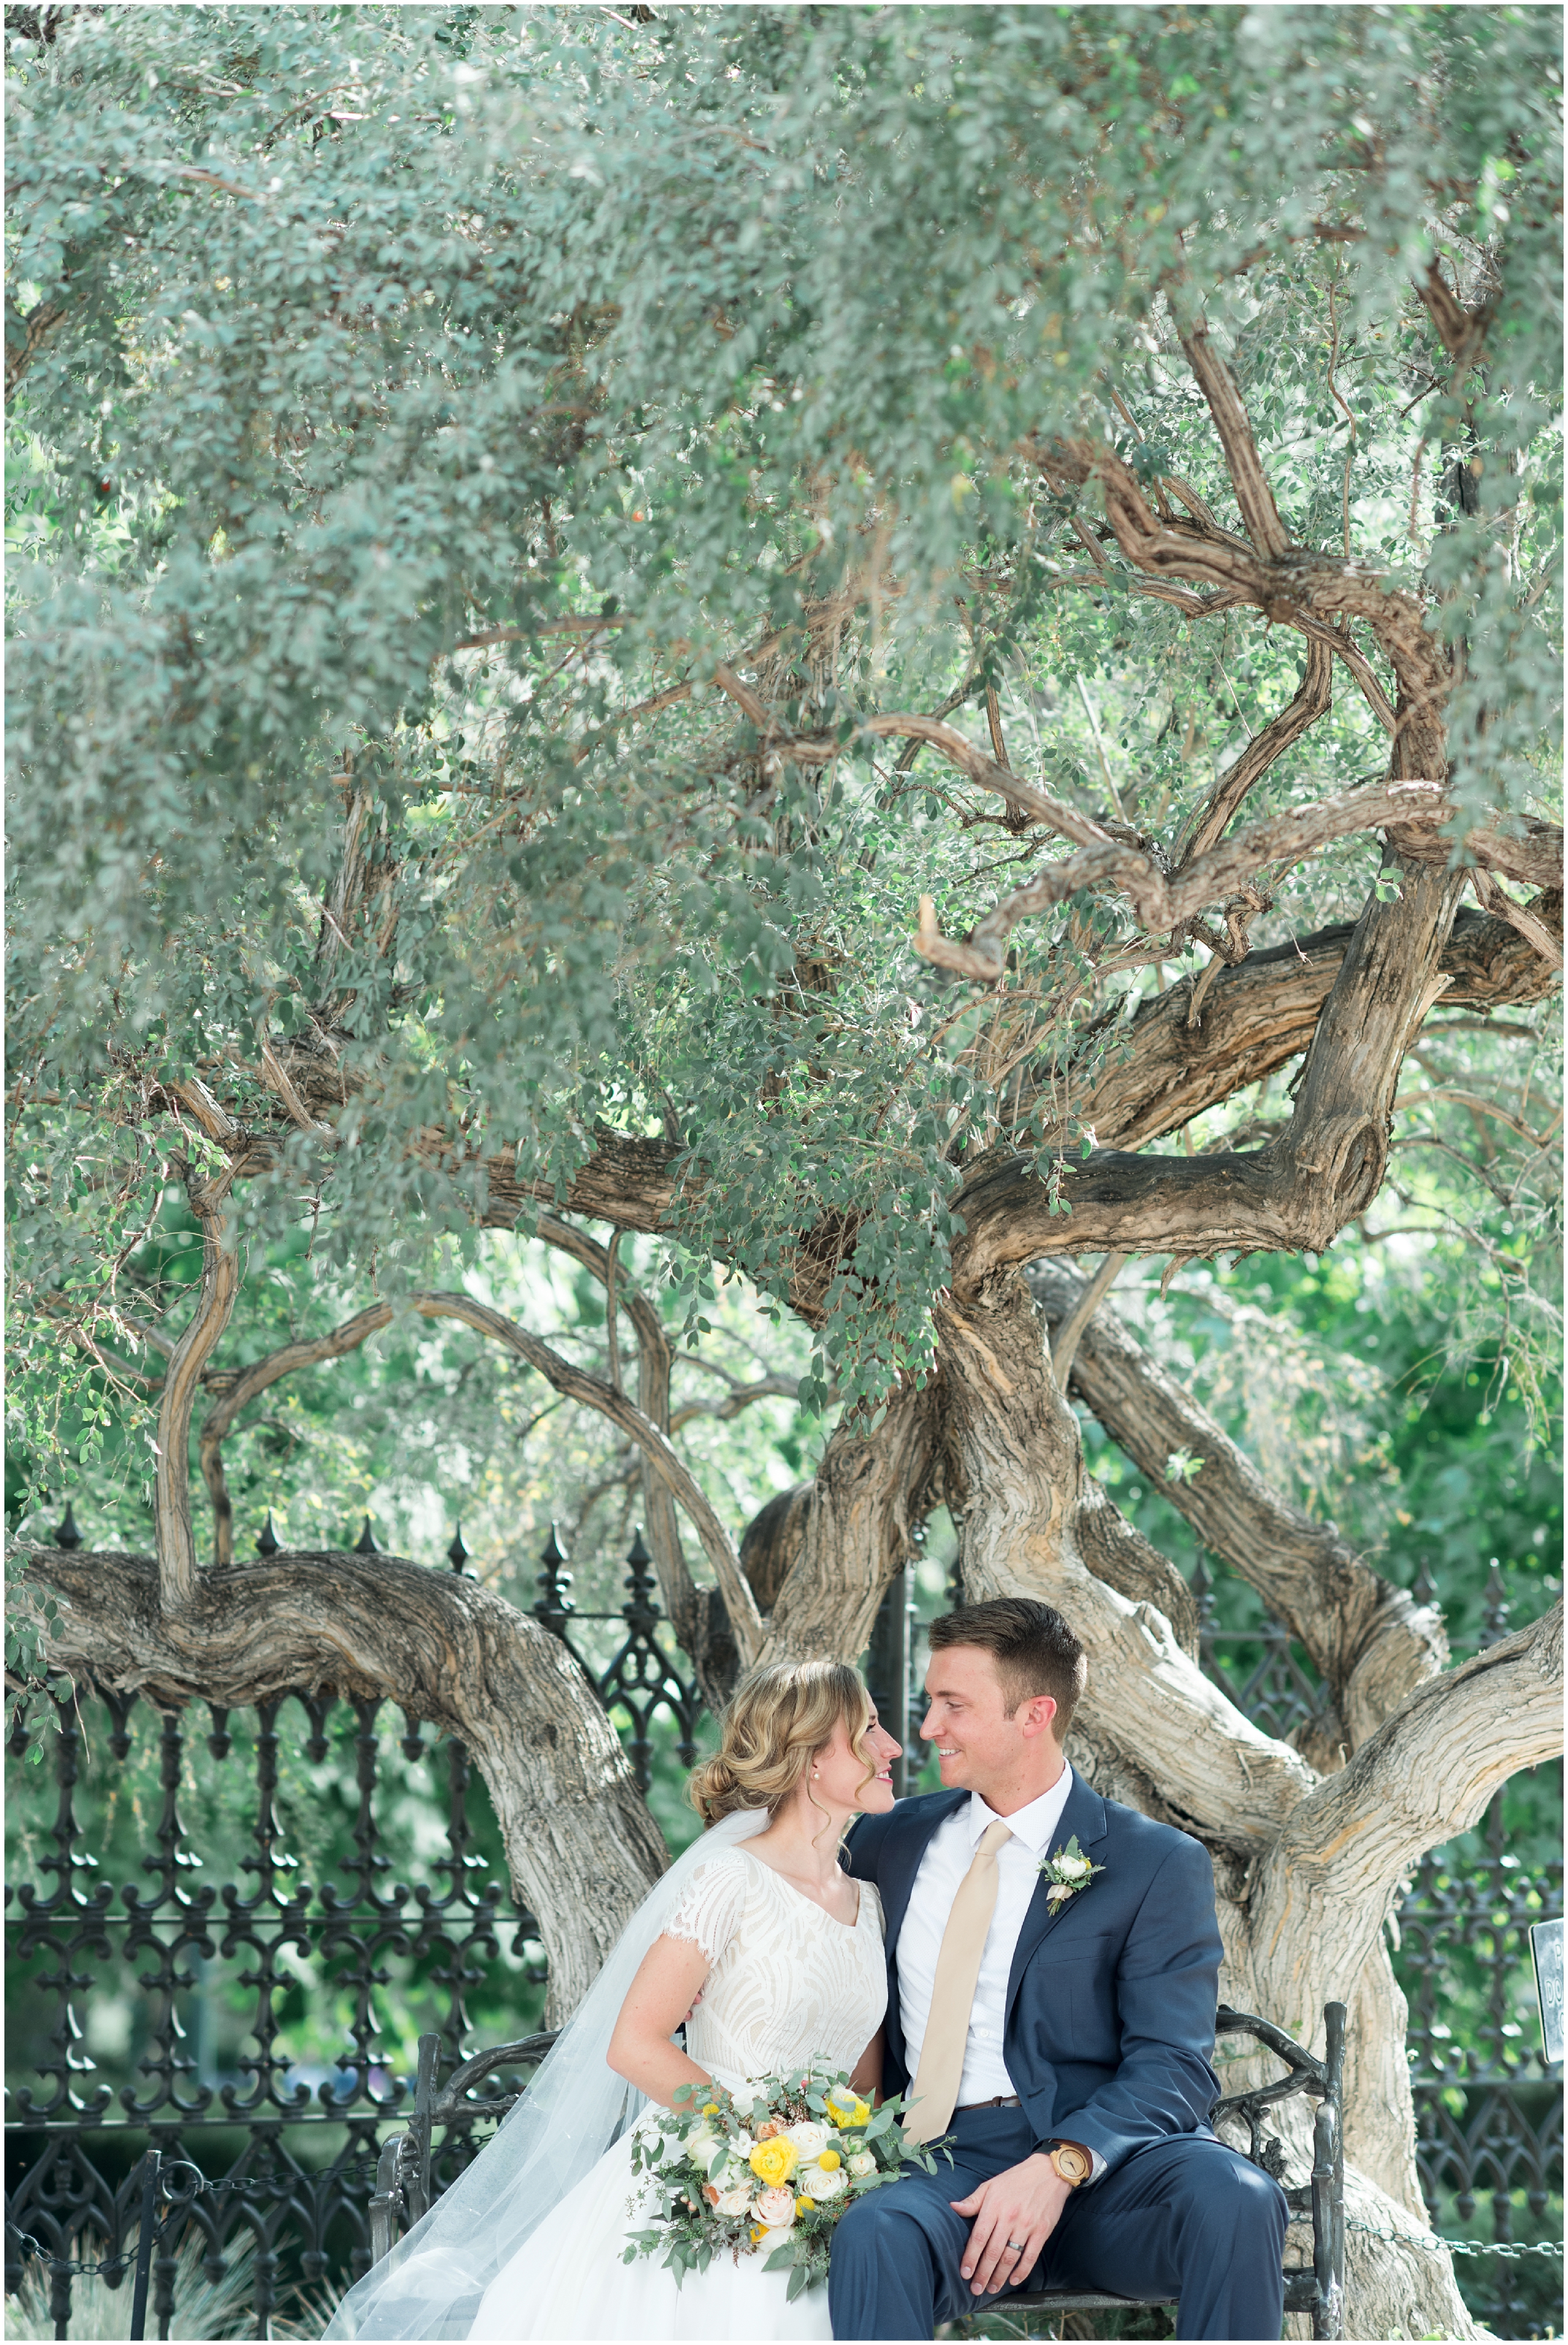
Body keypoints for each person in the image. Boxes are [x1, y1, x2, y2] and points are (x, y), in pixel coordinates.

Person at [323, 1659, 901, 2341]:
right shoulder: (730, 1880)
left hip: (824, 2203)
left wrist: (839, 2171)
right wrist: (760, 2150)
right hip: (708, 2178)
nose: (891, 1745)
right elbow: (634, 2043)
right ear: (808, 1757)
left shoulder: (866, 1903)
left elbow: (862, 2078)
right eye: (867, 1728)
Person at [831, 1597, 1287, 2342]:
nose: (926, 1729)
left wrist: (1060, 2165)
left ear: (1034, 1714)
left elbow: (1173, 2067)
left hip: (1108, 2184)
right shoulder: (891, 1841)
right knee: (873, 2233)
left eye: (953, 1705)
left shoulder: (1153, 1863)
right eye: (928, 1702)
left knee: (1236, 2196)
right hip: (941, 2173)